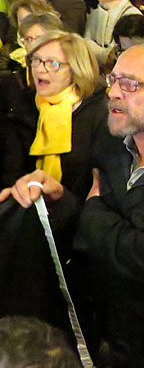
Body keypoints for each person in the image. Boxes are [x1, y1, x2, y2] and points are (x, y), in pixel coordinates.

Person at [1, 40, 144, 366]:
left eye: (131, 84)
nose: (114, 93)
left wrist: (94, 211)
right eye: (114, 80)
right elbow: (87, 223)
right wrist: (59, 199)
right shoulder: (113, 141)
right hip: (115, 331)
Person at [0, 31, 106, 333]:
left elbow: (98, 183)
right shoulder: (21, 108)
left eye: (52, 63)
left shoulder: (98, 114)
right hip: (29, 233)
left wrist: (62, 198)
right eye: (36, 61)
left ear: (77, 69)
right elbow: (11, 166)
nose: (40, 69)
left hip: (77, 232)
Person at [84, 0, 141, 64]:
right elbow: (86, 42)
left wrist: (96, 51)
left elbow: (117, 54)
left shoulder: (132, 16)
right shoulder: (96, 12)